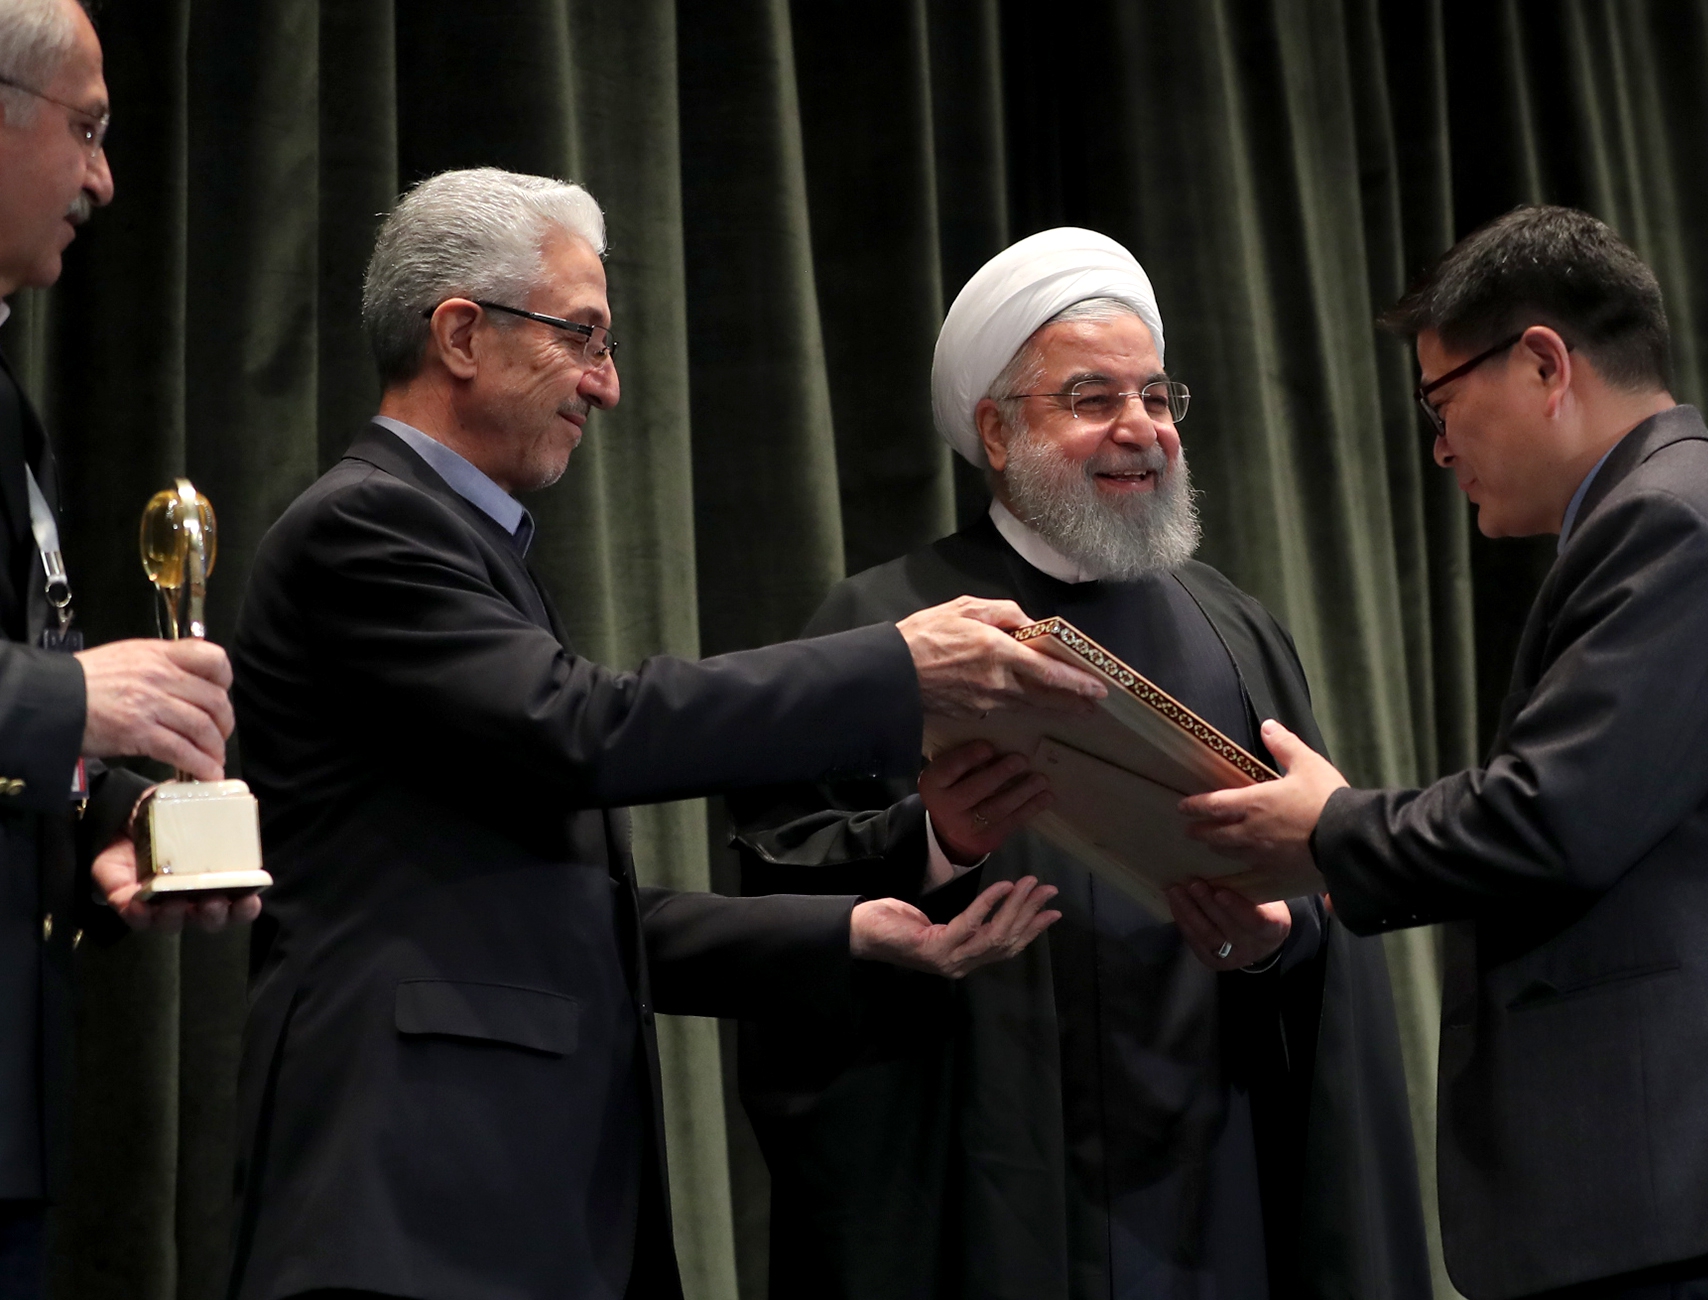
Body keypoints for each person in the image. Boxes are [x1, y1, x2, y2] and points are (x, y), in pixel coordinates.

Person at [224, 168, 1105, 1300]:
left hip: (506, 1205)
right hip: (413, 1198)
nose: (609, 383)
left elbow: (556, 914)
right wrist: (899, 661)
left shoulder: (466, 543)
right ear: (458, 333)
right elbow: (585, 727)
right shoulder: (367, 526)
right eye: (583, 335)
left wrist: (850, 934)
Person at [1183, 206, 1708, 1300]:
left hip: (1692, 1199)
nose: (1437, 447)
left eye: (1441, 404)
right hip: (1686, 1198)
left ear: (1542, 363)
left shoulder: (1670, 527)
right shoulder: (1686, 511)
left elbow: (1544, 817)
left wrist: (1324, 831)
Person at [727, 228, 1432, 1300]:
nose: (1139, 429)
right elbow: (780, 886)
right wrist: (930, 840)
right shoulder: (886, 626)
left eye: (1155, 397)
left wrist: (1277, 941)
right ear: (996, 432)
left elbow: (1319, 885)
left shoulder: (1236, 632)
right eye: (1092, 398)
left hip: (1212, 1171)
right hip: (989, 1179)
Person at [2, 0, 254, 1290]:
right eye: (86, 132)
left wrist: (107, 844)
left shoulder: (8, 401)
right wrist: (64, 697)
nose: (104, 178)